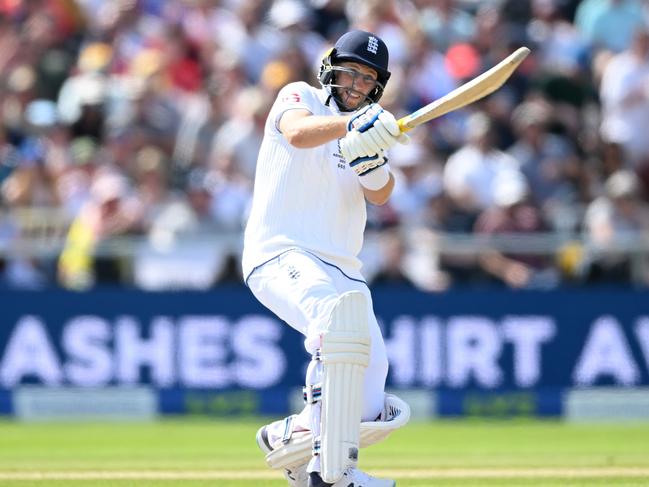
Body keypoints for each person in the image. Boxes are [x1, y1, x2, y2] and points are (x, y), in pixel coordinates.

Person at [242, 30, 411, 487]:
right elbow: (296, 134)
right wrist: (351, 126)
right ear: (331, 68)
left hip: (343, 267)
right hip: (281, 250)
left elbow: (382, 194)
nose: (356, 85)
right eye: (350, 72)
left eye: (367, 79)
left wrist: (371, 162)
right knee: (332, 328)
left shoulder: (366, 130)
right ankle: (332, 474)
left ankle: (294, 434)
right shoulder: (300, 97)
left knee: (372, 379)